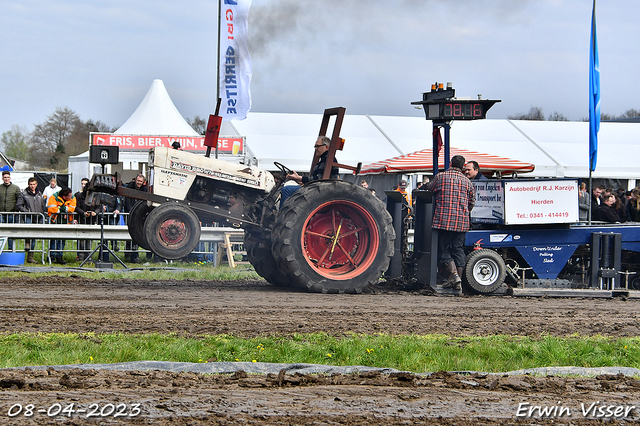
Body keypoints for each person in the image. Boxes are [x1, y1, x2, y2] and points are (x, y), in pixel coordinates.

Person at [427, 155, 475, 291]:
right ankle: (458, 281)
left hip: (444, 221)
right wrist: (464, 212)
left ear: (450, 163)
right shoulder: (467, 182)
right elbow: (472, 202)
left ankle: (453, 275)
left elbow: (430, 190)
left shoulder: (440, 177)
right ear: (463, 166)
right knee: (458, 249)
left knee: (443, 250)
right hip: (462, 222)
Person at [281, 136, 339, 206]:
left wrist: (300, 178)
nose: (315, 149)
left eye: (317, 146)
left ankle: (282, 215)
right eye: (315, 146)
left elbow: (319, 179)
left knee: (286, 190)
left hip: (321, 190)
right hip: (317, 188)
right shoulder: (323, 160)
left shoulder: (328, 160)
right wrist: (299, 180)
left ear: (326, 147)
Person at [15, 177, 45, 263]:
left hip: (38, 216)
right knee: (28, 233)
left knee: (34, 237)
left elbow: (42, 205)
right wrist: (27, 212)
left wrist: (42, 213)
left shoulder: (39, 194)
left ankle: (30, 256)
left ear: (36, 184)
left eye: (34, 184)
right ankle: (27, 244)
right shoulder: (23, 194)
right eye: (31, 184)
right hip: (28, 216)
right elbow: (19, 205)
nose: (32, 186)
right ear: (29, 185)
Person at [46, 187, 77, 264]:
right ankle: (51, 256)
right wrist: (64, 210)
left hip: (65, 222)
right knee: (53, 239)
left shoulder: (72, 198)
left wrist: (60, 208)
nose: (71, 196)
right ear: (64, 197)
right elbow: (52, 209)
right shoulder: (54, 197)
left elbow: (72, 209)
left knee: (62, 240)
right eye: (69, 196)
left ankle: (59, 256)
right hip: (55, 221)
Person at [123, 174, 148, 263]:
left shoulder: (145, 189)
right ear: (135, 180)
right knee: (128, 233)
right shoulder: (129, 187)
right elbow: (127, 201)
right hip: (130, 213)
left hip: (139, 215)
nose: (139, 183)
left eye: (140, 181)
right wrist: (131, 211)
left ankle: (134, 254)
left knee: (136, 234)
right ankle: (127, 252)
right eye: (138, 181)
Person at [0, 171, 20, 250]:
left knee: (11, 233)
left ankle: (10, 250)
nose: (6, 179)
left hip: (12, 214)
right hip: (1, 214)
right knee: (1, 233)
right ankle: (1, 250)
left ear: (10, 178)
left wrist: (16, 211)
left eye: (8, 177)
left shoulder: (15, 188)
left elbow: (19, 201)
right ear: (2, 178)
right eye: (5, 177)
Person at [74, 178, 93, 262]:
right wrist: (83, 213)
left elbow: (97, 207)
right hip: (81, 218)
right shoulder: (78, 195)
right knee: (81, 239)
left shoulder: (93, 196)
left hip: (91, 219)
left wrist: (93, 212)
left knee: (89, 239)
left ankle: (88, 256)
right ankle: (81, 256)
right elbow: (76, 207)